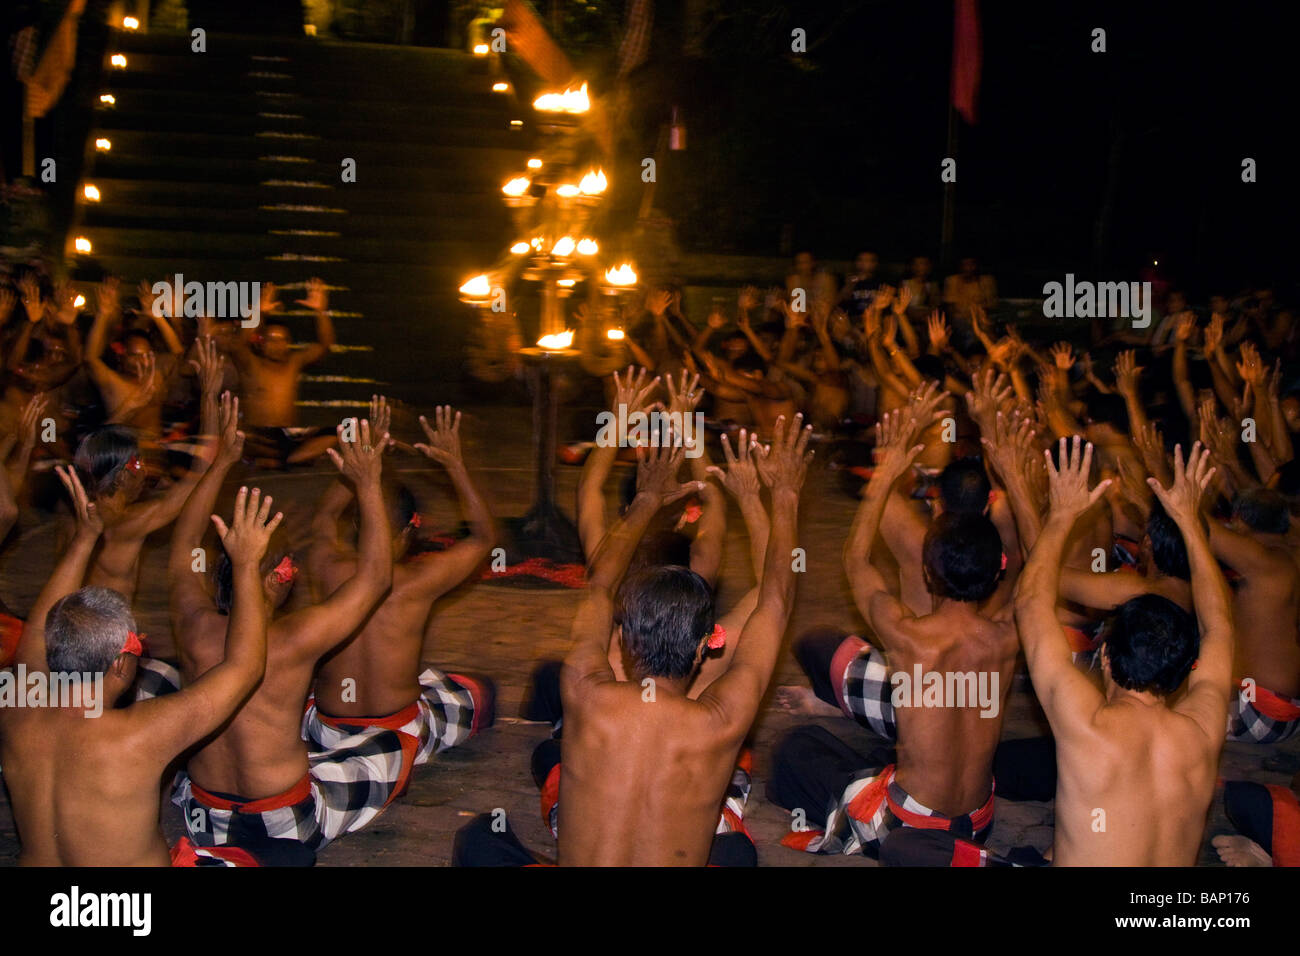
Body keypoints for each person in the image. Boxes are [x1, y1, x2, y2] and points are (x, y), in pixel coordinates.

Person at [0, 465, 301, 865]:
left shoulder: (15, 707)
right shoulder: (143, 733)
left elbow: (36, 632)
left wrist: (83, 540)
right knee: (290, 857)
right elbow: (244, 668)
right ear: (122, 666)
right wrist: (246, 565)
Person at [769, 388, 1019, 861]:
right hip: (981, 822)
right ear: (998, 570)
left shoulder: (906, 635)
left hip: (908, 825)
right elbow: (1036, 558)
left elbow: (855, 558)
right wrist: (1014, 474)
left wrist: (886, 472)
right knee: (868, 756)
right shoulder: (1010, 631)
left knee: (793, 753)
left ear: (928, 572)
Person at [168, 400, 400, 851]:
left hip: (204, 817)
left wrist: (221, 462)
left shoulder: (194, 624)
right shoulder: (295, 639)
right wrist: (368, 481)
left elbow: (182, 547)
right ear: (282, 576)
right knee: (386, 749)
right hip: (283, 820)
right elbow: (376, 577)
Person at [1014, 439, 1233, 865]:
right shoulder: (1204, 731)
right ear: (1187, 667)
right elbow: (1219, 626)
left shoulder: (1086, 723)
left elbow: (1029, 602)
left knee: (916, 847)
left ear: (1108, 659)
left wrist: (1060, 515)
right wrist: (1189, 522)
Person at [304, 400, 496, 785]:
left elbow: (324, 516)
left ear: (356, 521)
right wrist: (454, 464)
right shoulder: (419, 581)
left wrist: (362, 468)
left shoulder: (326, 566)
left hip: (328, 729)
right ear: (410, 531)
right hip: (397, 734)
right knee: (478, 691)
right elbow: (483, 537)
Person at [1208, 488, 1300, 742]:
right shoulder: (1291, 553)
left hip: (1261, 716)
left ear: (1238, 520)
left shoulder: (1263, 562)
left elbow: (1198, 527)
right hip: (1286, 714)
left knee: (1155, 692)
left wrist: (1161, 475)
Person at [229, 278, 338, 466]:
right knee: (246, 442)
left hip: (287, 436)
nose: (277, 345)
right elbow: (238, 345)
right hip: (260, 435)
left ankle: (283, 460)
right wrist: (259, 313)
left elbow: (324, 346)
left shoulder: (293, 362)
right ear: (261, 343)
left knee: (336, 433)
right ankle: (278, 459)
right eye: (271, 340)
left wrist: (320, 312)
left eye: (282, 340)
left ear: (288, 343)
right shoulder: (251, 364)